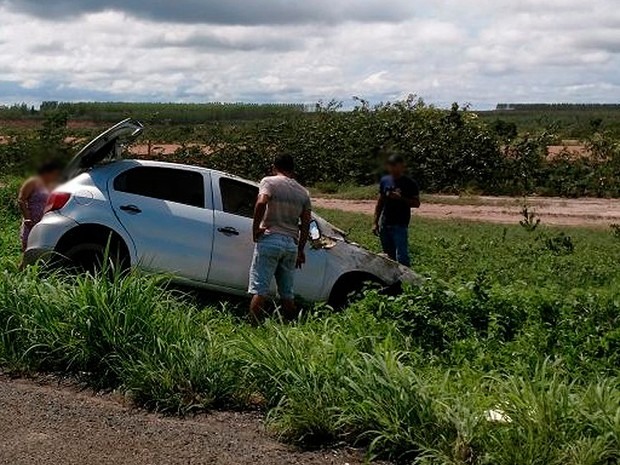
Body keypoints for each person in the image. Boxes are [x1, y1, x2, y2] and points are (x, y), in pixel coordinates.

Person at [248, 154, 312, 323]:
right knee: (287, 293)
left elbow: (261, 203)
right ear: (292, 169)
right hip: (290, 244)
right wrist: (300, 250)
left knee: (260, 289)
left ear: (274, 167)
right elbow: (306, 224)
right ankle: (290, 328)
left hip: (271, 239)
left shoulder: (269, 182)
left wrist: (256, 229)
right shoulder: (303, 192)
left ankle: (254, 328)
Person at [372, 155, 420, 267]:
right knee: (388, 256)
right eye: (391, 166)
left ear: (402, 166)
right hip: (385, 223)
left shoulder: (409, 183)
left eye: (396, 166)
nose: (393, 169)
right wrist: (375, 222)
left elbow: (416, 203)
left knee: (402, 256)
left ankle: (406, 281)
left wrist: (401, 198)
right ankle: (392, 280)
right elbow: (380, 203)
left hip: (400, 224)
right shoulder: (385, 181)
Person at [18, 161, 63, 253]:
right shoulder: (33, 182)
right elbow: (21, 200)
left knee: (42, 249)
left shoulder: (54, 184)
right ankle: (22, 267)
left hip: (46, 221)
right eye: (54, 173)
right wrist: (27, 217)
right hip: (32, 221)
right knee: (28, 249)